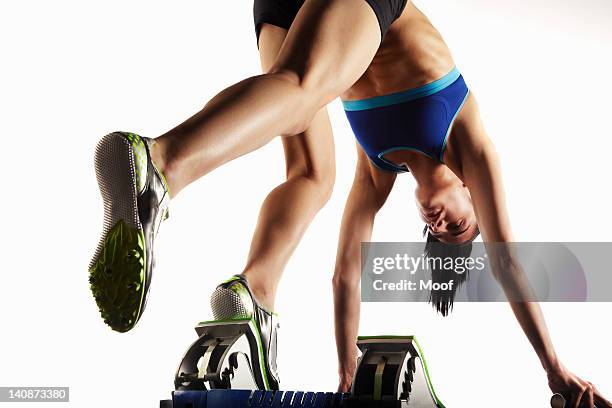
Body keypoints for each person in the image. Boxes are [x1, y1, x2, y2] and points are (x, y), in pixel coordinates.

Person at [87, 0, 610, 405]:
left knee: (312, 174)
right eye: (459, 225)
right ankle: (160, 165)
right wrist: (553, 368)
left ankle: (255, 292)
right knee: (297, 89)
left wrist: (346, 368)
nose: (441, 223)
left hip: (288, 11)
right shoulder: (471, 143)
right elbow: (508, 262)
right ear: (473, 195)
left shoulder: (378, 170)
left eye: (438, 233)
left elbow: (345, 275)